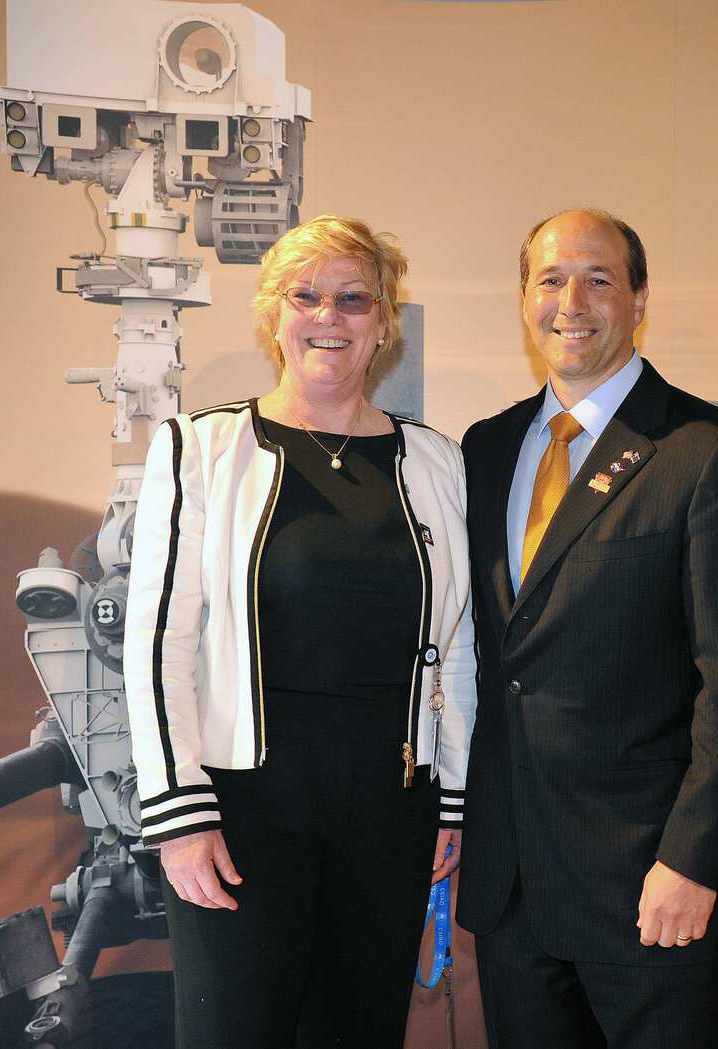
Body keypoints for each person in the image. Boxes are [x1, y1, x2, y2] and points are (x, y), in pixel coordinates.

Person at [123, 214, 475, 1049]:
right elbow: (159, 645)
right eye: (306, 295)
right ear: (272, 315)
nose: (329, 316)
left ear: (383, 323)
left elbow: (458, 646)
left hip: (391, 813)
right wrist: (179, 815)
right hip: (240, 815)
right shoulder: (202, 449)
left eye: (354, 298)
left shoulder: (436, 461)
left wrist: (452, 799)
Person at [456, 208, 718, 1048]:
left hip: (652, 888)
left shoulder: (708, 451)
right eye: (551, 280)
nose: (572, 302)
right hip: (513, 889)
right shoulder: (484, 450)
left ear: (639, 299)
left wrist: (694, 860)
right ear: (524, 299)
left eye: (598, 279)